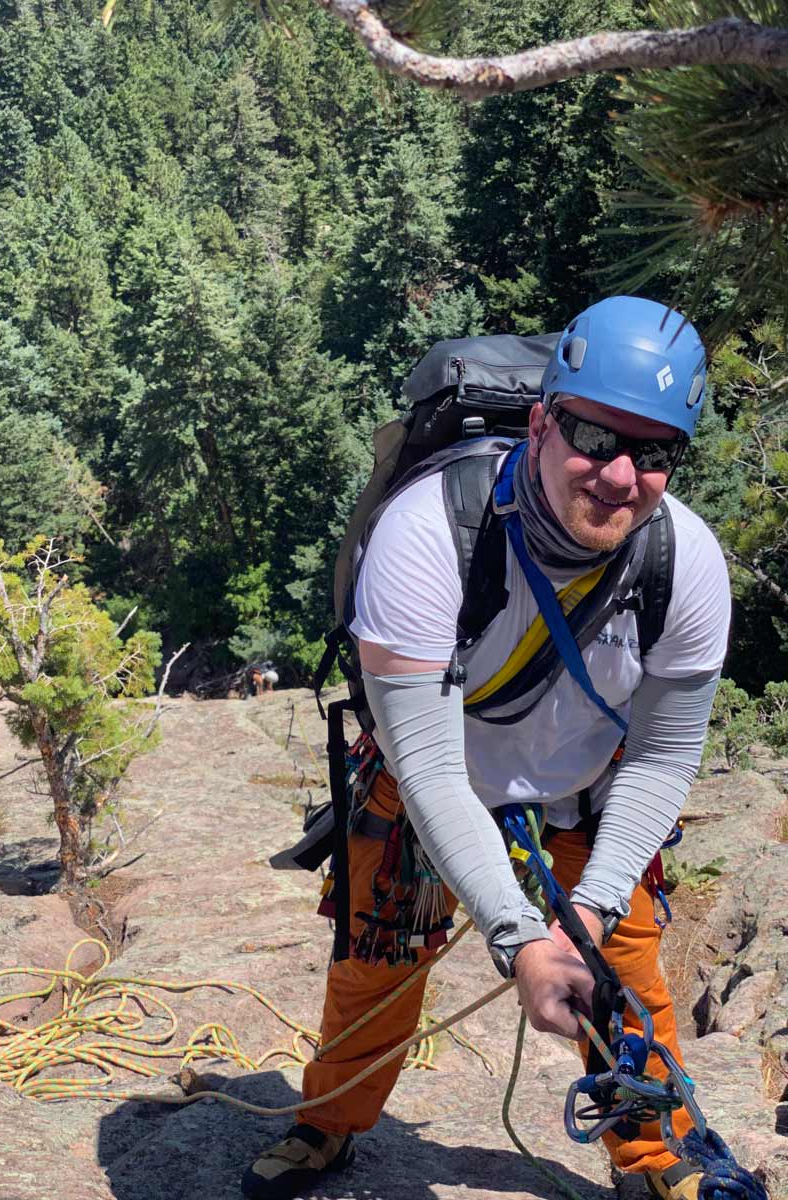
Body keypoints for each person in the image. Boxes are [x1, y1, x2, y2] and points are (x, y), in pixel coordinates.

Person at [242, 296, 731, 1200]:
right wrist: (520, 940)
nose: (621, 474)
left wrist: (582, 915)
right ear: (542, 422)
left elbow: (663, 757)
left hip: (585, 784)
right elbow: (426, 767)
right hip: (434, 772)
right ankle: (328, 1122)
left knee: (624, 972)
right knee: (377, 967)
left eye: (654, 451)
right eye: (593, 435)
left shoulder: (685, 563)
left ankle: (658, 1158)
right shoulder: (429, 533)